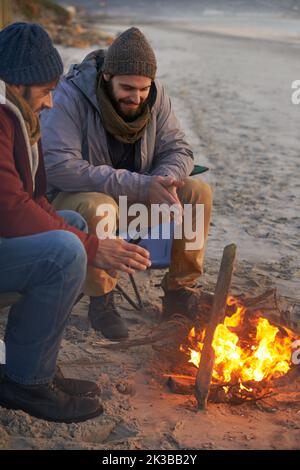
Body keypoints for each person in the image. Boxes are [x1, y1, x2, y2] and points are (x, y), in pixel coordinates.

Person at [0, 22, 150, 423]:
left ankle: (34, 367)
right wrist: (92, 248)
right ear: (19, 83)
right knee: (66, 251)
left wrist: (85, 239)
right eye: (46, 90)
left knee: (67, 223)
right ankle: (26, 380)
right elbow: (10, 208)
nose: (50, 102)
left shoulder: (15, 115)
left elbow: (30, 200)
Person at [41, 27, 213, 341]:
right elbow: (59, 168)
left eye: (143, 89)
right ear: (106, 78)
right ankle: (101, 300)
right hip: (71, 206)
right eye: (127, 88)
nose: (136, 97)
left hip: (134, 202)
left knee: (197, 192)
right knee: (100, 204)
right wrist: (140, 185)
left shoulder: (156, 97)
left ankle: (178, 289)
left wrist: (166, 180)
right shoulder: (70, 95)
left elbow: (179, 149)